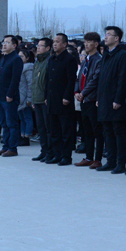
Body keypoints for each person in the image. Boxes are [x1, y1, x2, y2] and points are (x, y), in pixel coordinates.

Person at [96, 26, 126, 173]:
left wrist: (118, 99)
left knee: (119, 132)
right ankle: (110, 161)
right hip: (104, 99)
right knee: (107, 132)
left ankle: (120, 163)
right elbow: (102, 78)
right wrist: (99, 97)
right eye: (105, 34)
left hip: (116, 101)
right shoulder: (106, 54)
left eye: (109, 34)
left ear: (117, 38)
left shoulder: (123, 55)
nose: (105, 37)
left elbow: (123, 80)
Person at [44, 33, 79, 166]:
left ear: (65, 44)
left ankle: (66, 156)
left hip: (63, 100)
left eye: (58, 42)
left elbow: (71, 80)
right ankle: (56, 154)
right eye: (54, 41)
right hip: (52, 99)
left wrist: (67, 96)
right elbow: (47, 79)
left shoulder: (69, 59)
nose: (55, 44)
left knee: (66, 130)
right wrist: (46, 96)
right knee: (54, 130)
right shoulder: (51, 59)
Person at [74, 32, 103, 168]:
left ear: (96, 44)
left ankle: (98, 159)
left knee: (97, 131)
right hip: (83, 99)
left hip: (92, 99)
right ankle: (88, 157)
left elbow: (95, 80)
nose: (86, 44)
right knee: (87, 130)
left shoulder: (99, 60)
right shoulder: (86, 59)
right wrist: (77, 92)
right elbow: (79, 77)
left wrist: (84, 93)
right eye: (85, 42)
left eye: (89, 42)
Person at [0, 35, 23, 157]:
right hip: (0, 95)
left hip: (9, 96)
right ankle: (5, 146)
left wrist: (10, 94)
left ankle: (12, 148)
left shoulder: (16, 59)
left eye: (7, 42)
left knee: (11, 123)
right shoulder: (4, 58)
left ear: (14, 45)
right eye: (3, 42)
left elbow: (15, 79)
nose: (4, 44)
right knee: (4, 123)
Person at [31, 38, 53, 162]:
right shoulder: (37, 61)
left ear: (48, 48)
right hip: (37, 99)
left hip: (45, 100)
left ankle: (50, 152)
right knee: (41, 128)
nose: (38, 48)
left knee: (48, 127)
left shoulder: (49, 61)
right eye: (37, 45)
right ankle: (43, 151)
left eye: (41, 46)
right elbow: (34, 81)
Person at [17, 48, 34, 146]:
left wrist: (29, 98)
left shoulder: (28, 68)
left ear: (27, 58)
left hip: (25, 97)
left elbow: (30, 84)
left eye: (22, 56)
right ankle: (22, 135)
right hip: (19, 96)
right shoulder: (19, 67)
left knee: (27, 117)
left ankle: (27, 136)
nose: (20, 58)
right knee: (22, 118)